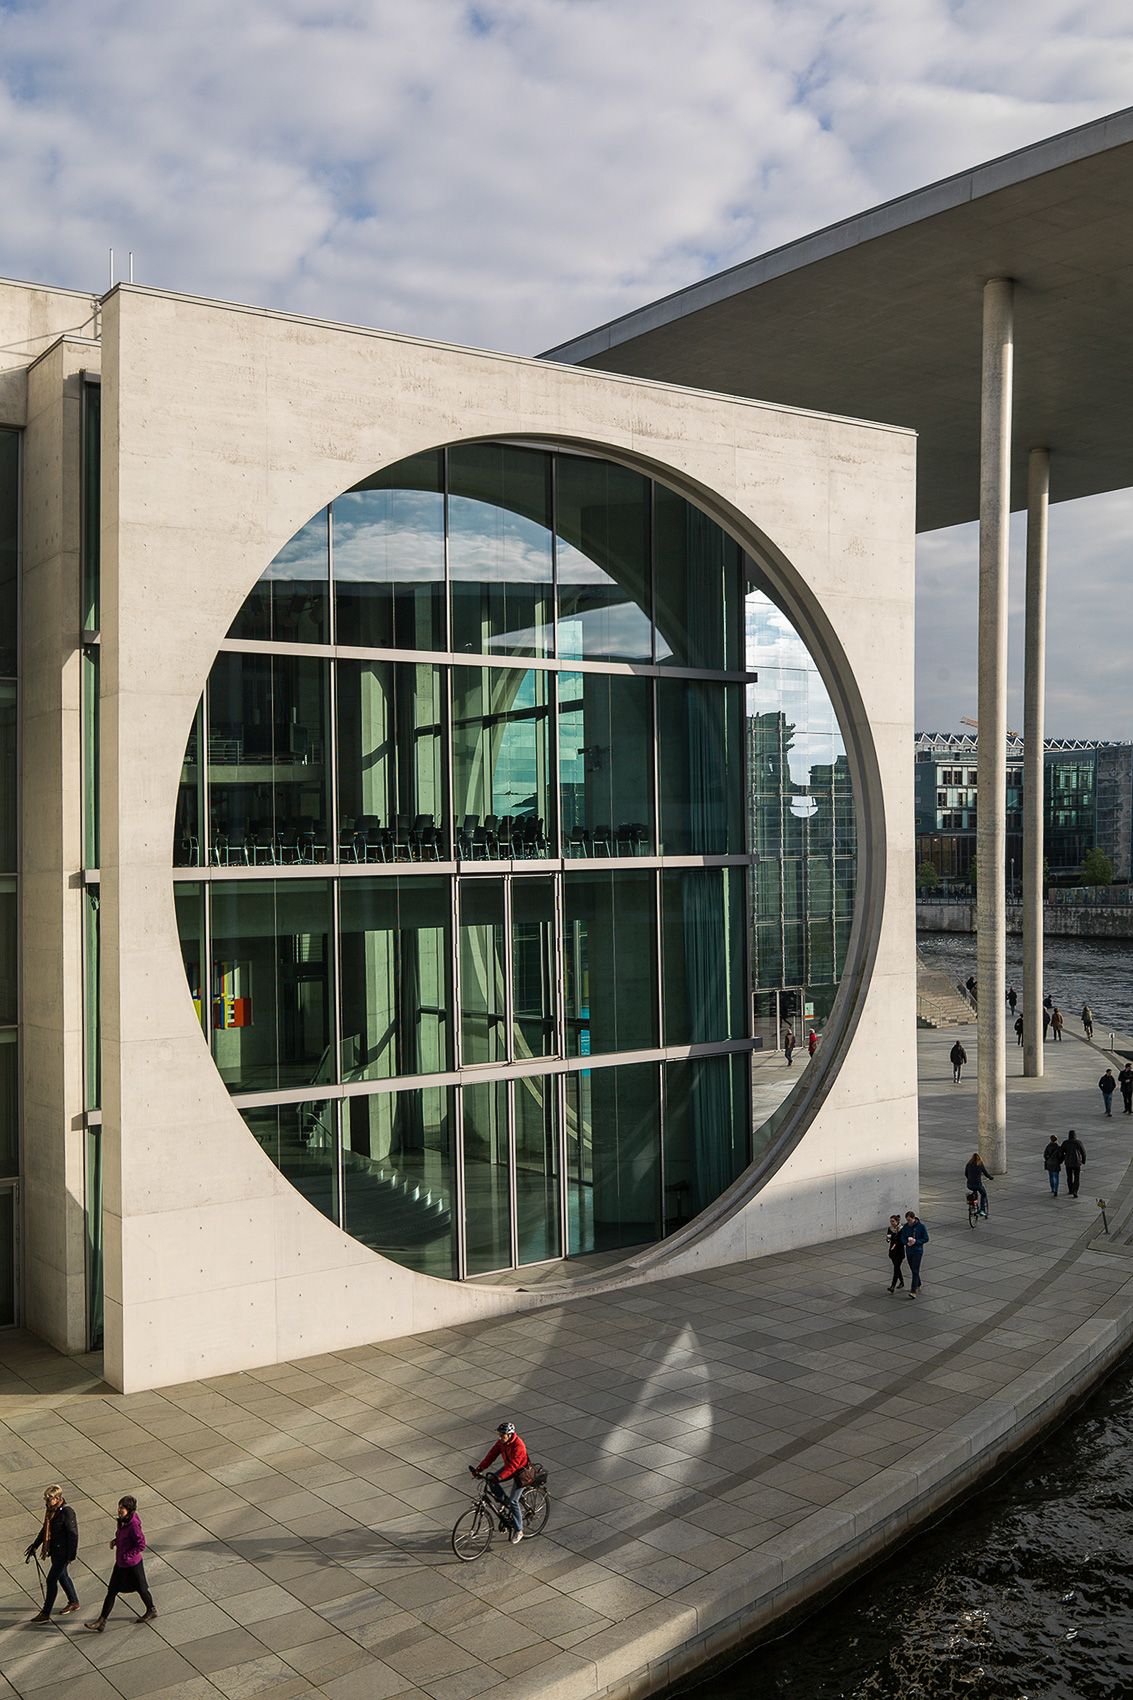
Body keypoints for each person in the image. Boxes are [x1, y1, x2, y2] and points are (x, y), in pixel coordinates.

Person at [85, 1496, 155, 1630]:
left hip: (132, 1564)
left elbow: (141, 1545)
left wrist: (128, 1555)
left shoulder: (133, 1525)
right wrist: (116, 1541)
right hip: (121, 1563)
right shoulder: (123, 1521)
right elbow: (123, 1536)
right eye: (119, 1507)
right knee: (111, 1591)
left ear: (129, 1510)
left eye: (122, 1508)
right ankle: (102, 1620)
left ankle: (151, 1609)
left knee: (142, 1589)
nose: (119, 1510)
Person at [24, 1485, 79, 1622]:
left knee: (51, 1579)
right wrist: (35, 1546)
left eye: (49, 1500)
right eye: (46, 1499)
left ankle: (46, 1612)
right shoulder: (51, 1511)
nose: (46, 1503)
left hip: (63, 1553)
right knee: (63, 1576)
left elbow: (73, 1535)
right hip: (55, 1551)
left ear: (58, 1498)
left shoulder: (67, 1512)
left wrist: (71, 1555)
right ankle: (74, 1602)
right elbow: (45, 1529)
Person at [470, 1421, 529, 1545]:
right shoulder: (502, 1443)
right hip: (509, 1468)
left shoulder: (519, 1446)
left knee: (514, 1501)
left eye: (503, 1435)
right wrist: (479, 1469)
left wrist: (500, 1477)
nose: (500, 1437)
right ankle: (503, 1501)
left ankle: (519, 1530)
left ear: (510, 1434)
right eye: (499, 1434)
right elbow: (491, 1455)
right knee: (491, 1481)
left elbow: (513, 1466)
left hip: (521, 1472)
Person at [901, 1212, 928, 1298]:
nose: (908, 1222)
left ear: (913, 1218)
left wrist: (916, 1241)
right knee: (913, 1269)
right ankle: (918, 1283)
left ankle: (913, 1291)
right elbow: (902, 1238)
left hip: (917, 1251)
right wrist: (906, 1242)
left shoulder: (921, 1227)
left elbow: (926, 1238)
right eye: (907, 1220)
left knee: (915, 1270)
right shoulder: (905, 1227)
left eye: (909, 1220)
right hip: (909, 1250)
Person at [1060, 1129, 1086, 1199]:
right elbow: (1083, 1152)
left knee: (1069, 1177)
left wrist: (1062, 1159)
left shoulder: (1065, 1143)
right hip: (1077, 1163)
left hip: (1068, 1162)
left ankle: (1070, 1190)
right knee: (1077, 1177)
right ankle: (1075, 1191)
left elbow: (1061, 1152)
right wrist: (1083, 1161)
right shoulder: (1078, 1142)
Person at [964, 1152, 992, 1218]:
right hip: (978, 1184)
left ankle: (973, 1206)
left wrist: (969, 1179)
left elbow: (965, 1174)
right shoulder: (980, 1165)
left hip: (969, 1185)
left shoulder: (968, 1164)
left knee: (974, 1192)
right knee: (984, 1194)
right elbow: (986, 1173)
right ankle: (982, 1210)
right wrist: (990, 1177)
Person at [885, 1215, 905, 1292]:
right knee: (897, 1267)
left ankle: (893, 1286)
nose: (891, 1223)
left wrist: (895, 1243)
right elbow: (888, 1239)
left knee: (896, 1268)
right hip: (893, 1251)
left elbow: (902, 1240)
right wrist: (888, 1239)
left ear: (897, 1221)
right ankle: (902, 1282)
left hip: (899, 1251)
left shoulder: (901, 1229)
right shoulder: (890, 1229)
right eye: (890, 1221)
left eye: (893, 1221)